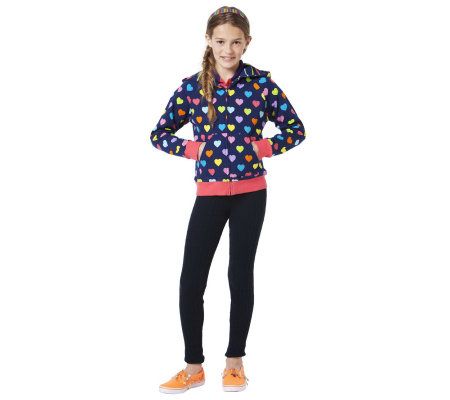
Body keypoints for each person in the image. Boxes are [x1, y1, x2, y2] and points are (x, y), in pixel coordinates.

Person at [151, 5, 306, 393]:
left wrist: (261, 147)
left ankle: (235, 363)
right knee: (191, 280)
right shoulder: (192, 87)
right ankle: (193, 368)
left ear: (247, 42)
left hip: (252, 194)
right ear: (208, 40)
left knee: (240, 275)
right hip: (210, 193)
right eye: (220, 41)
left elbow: (295, 129)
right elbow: (160, 134)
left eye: (236, 42)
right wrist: (195, 150)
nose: (228, 50)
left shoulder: (262, 85)